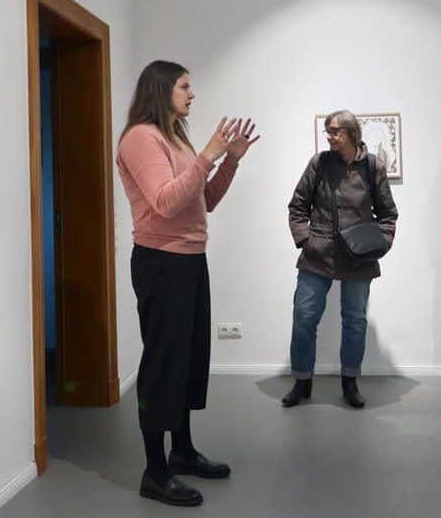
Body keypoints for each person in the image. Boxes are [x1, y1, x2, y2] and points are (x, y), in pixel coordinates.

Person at [115, 60, 259, 507]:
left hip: (191, 261)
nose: (191, 95)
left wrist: (229, 162)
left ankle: (181, 452)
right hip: (161, 263)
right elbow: (164, 202)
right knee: (164, 362)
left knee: (189, 358)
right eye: (184, 86)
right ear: (161, 90)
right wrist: (209, 156)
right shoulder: (142, 137)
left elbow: (204, 201)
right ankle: (154, 473)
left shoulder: (175, 136)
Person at [284, 110, 398, 409]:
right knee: (304, 316)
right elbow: (297, 207)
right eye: (327, 131)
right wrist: (306, 241)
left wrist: (381, 244)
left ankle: (350, 381)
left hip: (359, 256)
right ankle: (302, 381)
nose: (330, 136)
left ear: (351, 132)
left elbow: (388, 214)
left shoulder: (373, 166)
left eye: (335, 131)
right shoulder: (319, 163)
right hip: (318, 253)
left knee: (355, 321)